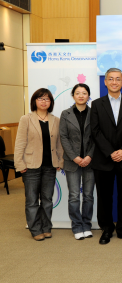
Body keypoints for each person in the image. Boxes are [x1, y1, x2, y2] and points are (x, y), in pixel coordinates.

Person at [90, 68, 122, 245]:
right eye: (111, 79)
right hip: (103, 159)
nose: (114, 82)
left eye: (118, 79)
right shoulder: (96, 104)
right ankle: (107, 229)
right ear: (105, 82)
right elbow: (95, 131)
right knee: (104, 197)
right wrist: (110, 151)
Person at [14, 88, 64, 241]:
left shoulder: (55, 120)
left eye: (47, 99)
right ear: (34, 101)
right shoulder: (26, 119)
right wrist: (19, 164)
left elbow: (59, 144)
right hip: (30, 166)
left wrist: (60, 160)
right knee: (32, 200)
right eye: (41, 98)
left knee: (47, 199)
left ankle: (46, 227)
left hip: (50, 166)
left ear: (51, 102)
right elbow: (20, 143)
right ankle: (35, 229)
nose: (44, 101)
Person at [59, 83, 95, 240]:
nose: (81, 95)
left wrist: (89, 156)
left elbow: (97, 137)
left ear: (88, 96)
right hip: (72, 161)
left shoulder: (94, 113)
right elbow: (63, 137)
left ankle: (86, 225)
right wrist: (75, 157)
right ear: (73, 95)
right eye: (78, 93)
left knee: (88, 195)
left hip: (90, 161)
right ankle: (76, 226)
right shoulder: (65, 114)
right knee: (74, 195)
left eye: (84, 93)